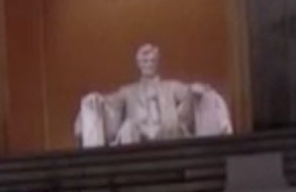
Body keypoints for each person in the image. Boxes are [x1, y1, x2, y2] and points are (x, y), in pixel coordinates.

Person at [75, 43, 231, 148]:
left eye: (151, 60)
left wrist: (196, 89)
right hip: (136, 133)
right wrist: (96, 98)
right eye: (144, 61)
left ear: (157, 62)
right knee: (128, 128)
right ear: (138, 64)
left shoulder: (172, 86)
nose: (148, 64)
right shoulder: (127, 91)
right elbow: (110, 102)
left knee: (173, 123)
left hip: (168, 131)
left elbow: (188, 97)